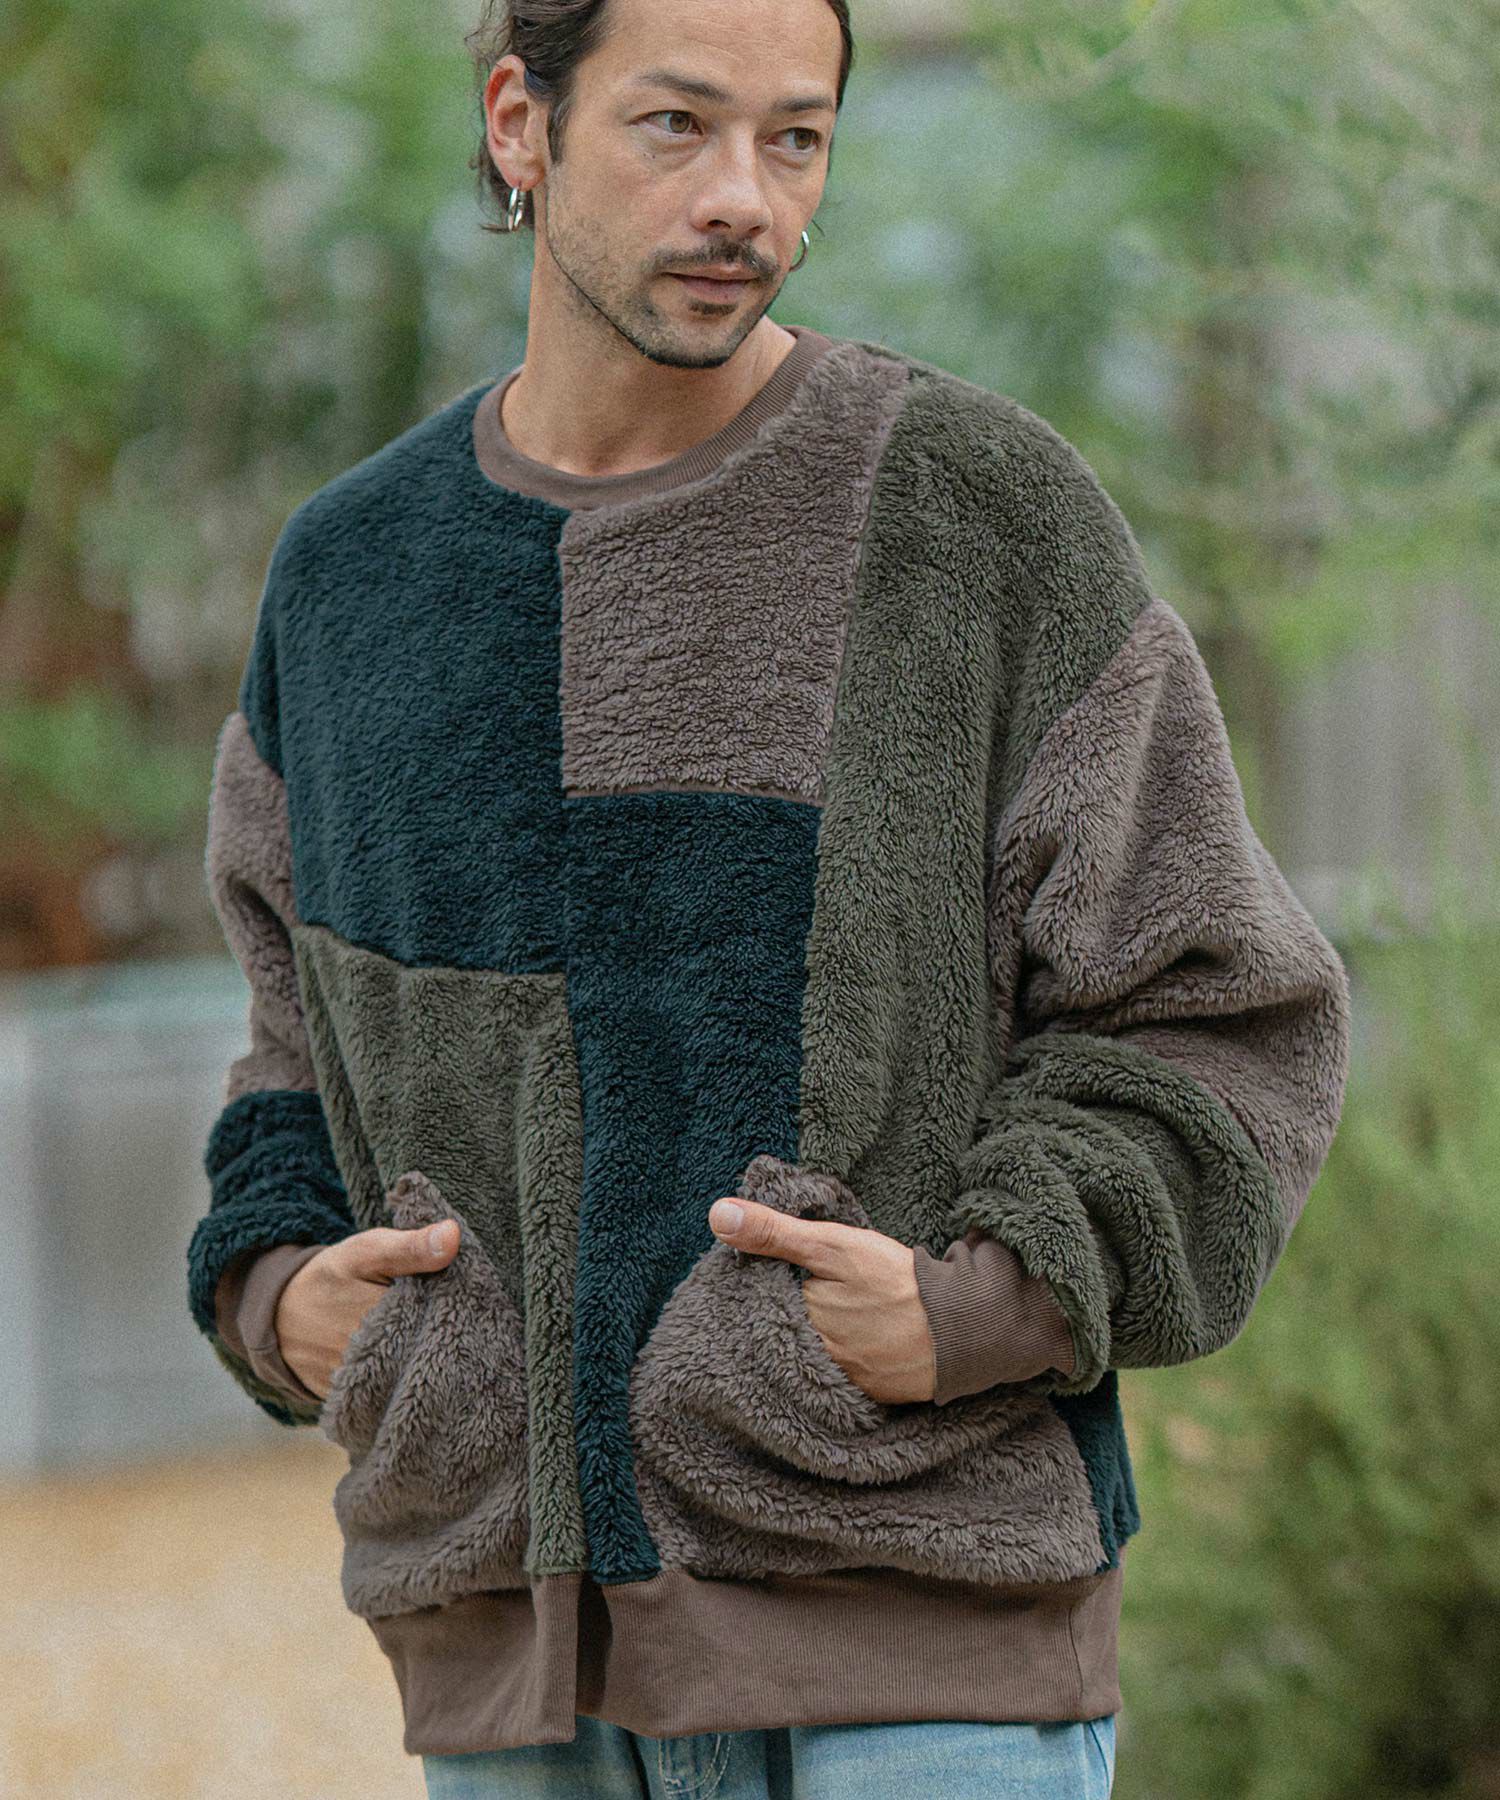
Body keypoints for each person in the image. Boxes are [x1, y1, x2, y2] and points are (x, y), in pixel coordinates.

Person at [185, 0, 1352, 1792]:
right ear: (520, 123)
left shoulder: (974, 514)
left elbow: (1219, 1014)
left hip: (923, 1632)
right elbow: (290, 1048)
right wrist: (280, 1295)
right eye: (678, 124)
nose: (745, 195)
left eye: (794, 136)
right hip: (514, 1672)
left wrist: (970, 1309)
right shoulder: (352, 580)